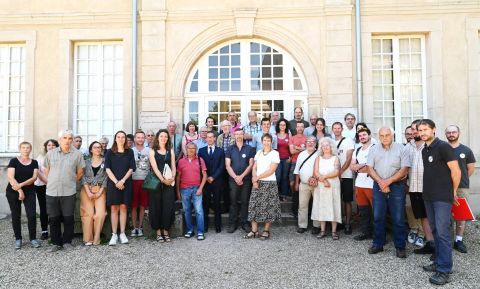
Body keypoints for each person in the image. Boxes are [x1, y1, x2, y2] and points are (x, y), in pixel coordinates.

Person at [419, 119, 461, 285]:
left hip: (442, 197)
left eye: (425, 130)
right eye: (420, 130)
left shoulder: (443, 146)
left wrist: (453, 191)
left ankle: (444, 270)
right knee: (435, 229)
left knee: (443, 232)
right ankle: (438, 261)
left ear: (433, 130)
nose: (422, 133)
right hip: (428, 196)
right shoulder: (425, 149)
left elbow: (456, 171)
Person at [367, 127, 410, 258]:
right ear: (378, 136)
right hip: (378, 185)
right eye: (382, 135)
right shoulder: (373, 149)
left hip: (397, 186)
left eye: (387, 135)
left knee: (398, 217)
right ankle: (378, 244)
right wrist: (381, 182)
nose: (385, 137)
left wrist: (388, 182)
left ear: (392, 135)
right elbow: (369, 168)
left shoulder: (402, 148)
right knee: (378, 216)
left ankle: (400, 246)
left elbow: (404, 169)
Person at [45, 129, 85, 252]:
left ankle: (67, 242)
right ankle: (56, 243)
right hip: (52, 191)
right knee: (53, 218)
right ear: (59, 140)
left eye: (69, 138)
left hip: (68, 191)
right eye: (65, 138)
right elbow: (47, 171)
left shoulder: (77, 154)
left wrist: (70, 181)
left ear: (72, 140)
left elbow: (80, 172)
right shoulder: (51, 154)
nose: (67, 141)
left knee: (68, 218)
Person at [445, 125, 476, 254]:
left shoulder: (466, 150)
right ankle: (447, 240)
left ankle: (459, 240)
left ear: (459, 133)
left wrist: (458, 181)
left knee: (460, 214)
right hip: (444, 187)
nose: (451, 134)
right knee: (445, 214)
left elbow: (470, 169)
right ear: (446, 134)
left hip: (461, 187)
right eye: (449, 132)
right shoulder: (442, 149)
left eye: (454, 132)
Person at [245, 133, 281, 240]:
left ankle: (266, 230)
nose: (266, 142)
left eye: (268, 140)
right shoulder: (259, 153)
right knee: (253, 206)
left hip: (269, 183)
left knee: (269, 207)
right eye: (264, 140)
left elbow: (271, 170)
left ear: (271, 142)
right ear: (262, 141)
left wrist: (257, 178)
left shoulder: (275, 153)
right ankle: (254, 230)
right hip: (257, 182)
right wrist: (254, 179)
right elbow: (254, 167)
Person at [406, 120, 435, 254]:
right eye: (412, 129)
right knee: (423, 216)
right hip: (414, 188)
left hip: (429, 188)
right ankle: (430, 244)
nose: (414, 131)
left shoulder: (431, 145)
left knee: (434, 217)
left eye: (417, 129)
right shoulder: (408, 146)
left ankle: (439, 246)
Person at [6, 142, 41, 249]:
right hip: (13, 190)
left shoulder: (34, 162)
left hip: (30, 191)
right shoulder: (13, 161)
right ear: (20, 149)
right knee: (16, 215)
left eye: (28, 148)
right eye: (23, 147)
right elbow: (11, 177)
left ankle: (33, 239)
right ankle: (18, 239)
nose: (26, 149)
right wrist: (20, 191)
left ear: (30, 149)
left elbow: (34, 178)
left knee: (31, 215)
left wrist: (21, 185)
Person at [105, 130, 136, 246]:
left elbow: (132, 167)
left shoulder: (130, 152)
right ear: (115, 139)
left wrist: (122, 180)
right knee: (114, 209)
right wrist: (116, 181)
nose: (121, 139)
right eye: (119, 137)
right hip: (113, 184)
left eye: (123, 137)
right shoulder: (109, 152)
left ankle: (122, 233)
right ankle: (114, 234)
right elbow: (107, 168)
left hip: (126, 183)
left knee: (123, 208)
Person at [148, 129, 176, 242]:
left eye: (165, 136)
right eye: (161, 136)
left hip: (169, 181)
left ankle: (166, 230)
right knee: (155, 206)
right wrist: (163, 180)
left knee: (168, 206)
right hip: (156, 182)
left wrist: (172, 178)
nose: (163, 138)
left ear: (168, 138)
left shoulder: (171, 151)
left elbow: (174, 166)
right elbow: (154, 168)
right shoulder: (152, 150)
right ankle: (158, 232)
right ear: (157, 138)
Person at [311, 137, 342, 240]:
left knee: (334, 205)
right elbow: (315, 172)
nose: (325, 147)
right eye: (323, 146)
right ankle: (322, 230)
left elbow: (336, 172)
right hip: (321, 186)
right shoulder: (318, 158)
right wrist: (324, 181)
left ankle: (334, 231)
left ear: (331, 146)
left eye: (327, 145)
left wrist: (324, 177)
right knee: (322, 206)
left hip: (333, 185)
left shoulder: (335, 158)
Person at [225, 129, 255, 233]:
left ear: (243, 136)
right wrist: (236, 177)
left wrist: (241, 177)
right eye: (237, 134)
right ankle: (232, 224)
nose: (238, 136)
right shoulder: (230, 149)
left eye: (240, 134)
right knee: (233, 202)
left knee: (245, 202)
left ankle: (245, 223)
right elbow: (227, 165)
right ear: (234, 135)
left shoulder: (250, 149)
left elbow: (251, 164)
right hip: (233, 180)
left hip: (246, 179)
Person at [177, 142, 207, 240]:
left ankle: (200, 231)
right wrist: (177, 191)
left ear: (196, 150)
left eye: (193, 148)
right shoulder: (181, 161)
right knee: (187, 211)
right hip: (184, 189)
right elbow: (178, 177)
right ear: (186, 149)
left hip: (196, 189)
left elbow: (205, 175)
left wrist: (200, 188)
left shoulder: (200, 160)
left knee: (199, 211)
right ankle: (190, 230)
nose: (191, 150)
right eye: (189, 148)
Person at [80, 141, 107, 246]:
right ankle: (87, 239)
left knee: (100, 214)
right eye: (95, 147)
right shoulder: (85, 162)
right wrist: (88, 191)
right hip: (87, 190)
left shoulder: (105, 162)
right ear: (91, 150)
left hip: (100, 190)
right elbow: (82, 176)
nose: (98, 149)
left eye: (99, 147)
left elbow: (106, 177)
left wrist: (100, 191)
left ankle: (96, 239)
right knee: (88, 214)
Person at [349, 128, 375, 241]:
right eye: (360, 136)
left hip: (372, 184)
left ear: (369, 135)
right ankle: (366, 232)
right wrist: (363, 166)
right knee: (363, 210)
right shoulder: (357, 150)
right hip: (359, 184)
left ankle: (378, 234)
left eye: (364, 135)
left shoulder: (374, 148)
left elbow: (372, 167)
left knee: (376, 211)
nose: (362, 137)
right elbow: (352, 166)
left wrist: (360, 167)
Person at [198, 131, 225, 233]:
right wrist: (206, 177)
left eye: (211, 137)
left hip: (217, 181)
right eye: (207, 137)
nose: (209, 139)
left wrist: (213, 177)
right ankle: (205, 225)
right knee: (205, 204)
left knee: (217, 204)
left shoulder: (220, 151)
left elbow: (222, 166)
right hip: (205, 182)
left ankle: (218, 226)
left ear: (214, 139)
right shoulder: (201, 151)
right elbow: (199, 166)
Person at [294, 136, 320, 234]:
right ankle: (302, 225)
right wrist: (297, 182)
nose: (310, 143)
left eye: (312, 141)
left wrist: (315, 178)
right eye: (308, 141)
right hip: (303, 184)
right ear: (305, 143)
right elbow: (297, 170)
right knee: (302, 205)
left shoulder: (319, 154)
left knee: (317, 204)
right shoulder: (301, 154)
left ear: (315, 143)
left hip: (317, 183)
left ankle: (317, 226)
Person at [332, 122, 354, 234]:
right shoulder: (331, 142)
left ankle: (348, 223)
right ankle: (338, 222)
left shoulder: (348, 141)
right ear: (332, 130)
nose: (337, 130)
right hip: (334, 176)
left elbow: (349, 158)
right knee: (336, 200)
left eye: (338, 128)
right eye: (335, 128)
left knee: (347, 200)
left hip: (346, 175)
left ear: (342, 129)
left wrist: (340, 171)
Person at [34, 139, 59, 240]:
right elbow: (38, 173)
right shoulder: (40, 158)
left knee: (55, 208)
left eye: (53, 145)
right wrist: (48, 183)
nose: (51, 147)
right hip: (42, 186)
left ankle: (55, 230)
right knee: (43, 208)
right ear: (46, 147)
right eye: (49, 145)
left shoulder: (59, 157)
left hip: (55, 186)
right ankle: (44, 231)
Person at [130, 130, 150, 237]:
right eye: (138, 137)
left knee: (143, 204)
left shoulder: (149, 150)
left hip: (145, 180)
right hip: (133, 180)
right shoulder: (130, 151)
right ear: (135, 139)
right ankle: (134, 227)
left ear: (145, 138)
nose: (140, 139)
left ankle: (141, 226)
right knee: (134, 205)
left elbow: (152, 165)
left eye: (142, 137)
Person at [288, 122, 307, 217]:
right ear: (296, 128)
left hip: (305, 164)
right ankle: (294, 200)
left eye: (301, 126)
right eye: (298, 126)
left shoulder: (307, 138)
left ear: (304, 128)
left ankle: (297, 208)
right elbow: (291, 151)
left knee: (301, 185)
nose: (300, 128)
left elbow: (309, 150)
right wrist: (303, 149)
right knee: (292, 183)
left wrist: (297, 148)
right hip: (294, 163)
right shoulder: (292, 138)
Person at [275, 118, 291, 200]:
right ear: (278, 126)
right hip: (277, 160)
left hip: (286, 159)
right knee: (277, 177)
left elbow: (291, 148)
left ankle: (283, 195)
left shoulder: (289, 135)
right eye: (281, 124)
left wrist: (290, 157)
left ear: (286, 126)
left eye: (284, 125)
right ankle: (276, 194)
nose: (282, 126)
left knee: (285, 177)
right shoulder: (275, 135)